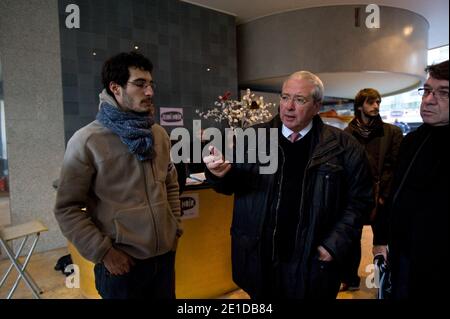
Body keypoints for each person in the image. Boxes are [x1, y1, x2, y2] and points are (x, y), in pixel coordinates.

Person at [204, 71, 373, 299]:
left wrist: (333, 245)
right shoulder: (253, 137)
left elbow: (360, 201)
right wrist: (220, 174)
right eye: (285, 97)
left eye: (299, 100)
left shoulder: (344, 146)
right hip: (260, 258)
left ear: (317, 106)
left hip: (314, 262)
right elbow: (232, 185)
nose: (288, 107)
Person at [54, 52, 182, 299]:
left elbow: (170, 184)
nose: (149, 92)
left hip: (164, 259)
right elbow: (67, 208)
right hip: (122, 264)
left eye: (150, 84)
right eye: (140, 84)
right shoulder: (87, 141)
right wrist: (104, 253)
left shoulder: (158, 135)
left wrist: (174, 228)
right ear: (116, 88)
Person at [385, 60, 449, 299]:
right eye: (428, 90)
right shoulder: (413, 140)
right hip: (404, 257)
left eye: (443, 93)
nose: (429, 99)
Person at [341, 88, 403, 291]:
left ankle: (383, 282)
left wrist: (385, 196)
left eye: (378, 102)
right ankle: (349, 279)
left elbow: (395, 167)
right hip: (356, 197)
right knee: (350, 240)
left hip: (382, 198)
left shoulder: (391, 132)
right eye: (371, 102)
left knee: (382, 242)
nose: (376, 106)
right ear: (360, 106)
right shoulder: (347, 135)